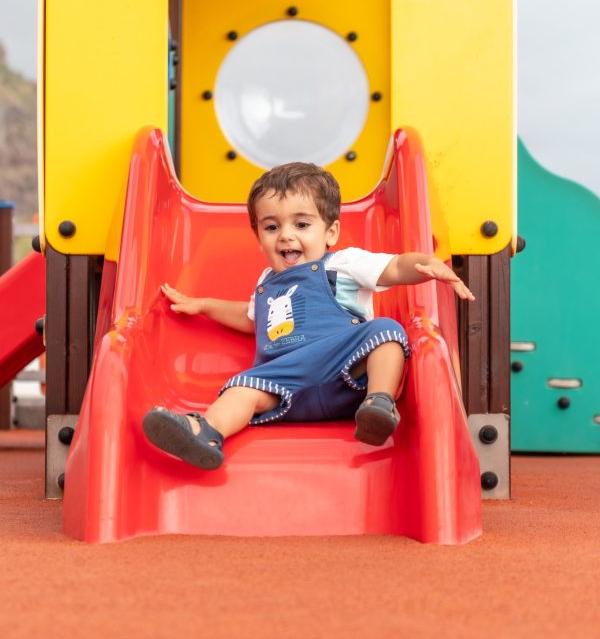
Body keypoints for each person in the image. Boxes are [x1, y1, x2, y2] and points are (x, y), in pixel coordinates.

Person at [142, 162, 474, 470]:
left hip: (343, 375)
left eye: (301, 224)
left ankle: (379, 402)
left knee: (385, 332)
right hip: (285, 385)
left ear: (330, 233)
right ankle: (207, 432)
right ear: (259, 238)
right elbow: (249, 318)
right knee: (241, 388)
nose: (286, 234)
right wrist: (202, 306)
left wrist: (424, 264)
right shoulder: (265, 284)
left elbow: (394, 267)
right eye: (272, 227)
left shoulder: (342, 264)